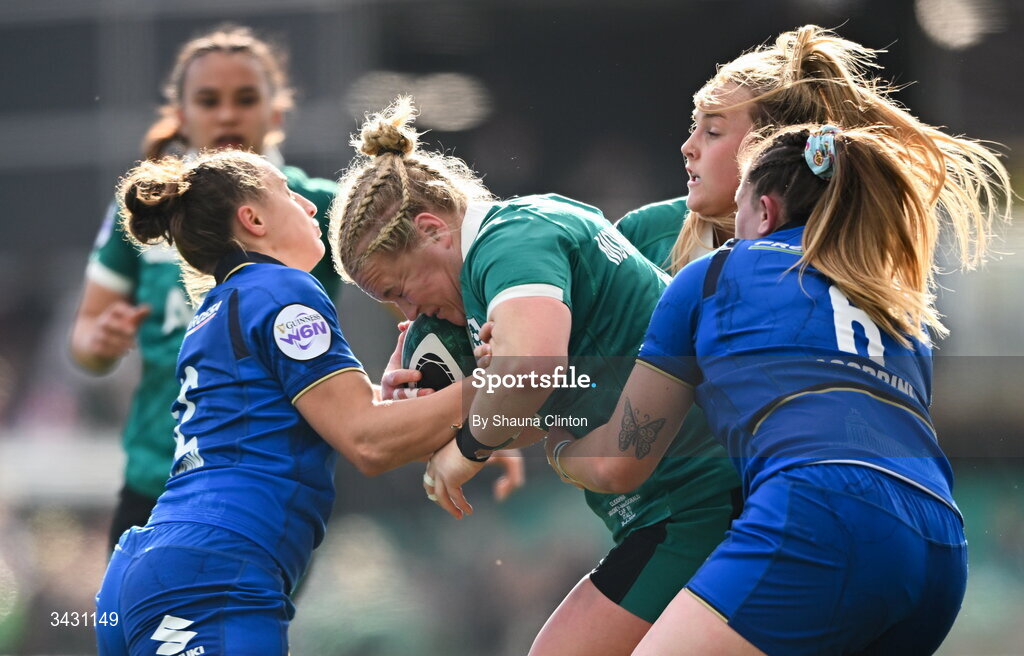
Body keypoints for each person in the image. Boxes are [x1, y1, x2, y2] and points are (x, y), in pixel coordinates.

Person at [547, 123, 1011, 655]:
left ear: (764, 212)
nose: (727, 227)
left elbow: (620, 461)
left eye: (737, 211)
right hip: (940, 546)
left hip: (823, 507)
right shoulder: (899, 312)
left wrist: (559, 448)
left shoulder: (714, 273)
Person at [330, 97, 740, 656]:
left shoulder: (508, 238)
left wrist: (468, 446)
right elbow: (544, 407)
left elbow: (533, 372)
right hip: (674, 501)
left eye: (400, 290)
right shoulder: (491, 274)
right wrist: (440, 407)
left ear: (433, 230)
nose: (409, 313)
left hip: (693, 501)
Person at [94, 150, 467, 654]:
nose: (310, 207)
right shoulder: (284, 287)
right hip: (210, 576)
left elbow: (301, 421)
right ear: (253, 219)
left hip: (157, 570)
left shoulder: (219, 307)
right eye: (290, 196)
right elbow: (366, 442)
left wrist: (392, 403)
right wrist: (501, 381)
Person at [69, 25, 344, 552]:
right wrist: (100, 342)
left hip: (259, 484)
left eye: (245, 98)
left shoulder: (316, 209)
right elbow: (84, 338)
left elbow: (414, 279)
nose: (226, 115)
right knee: (123, 630)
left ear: (277, 114)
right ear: (181, 114)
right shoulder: (146, 213)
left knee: (228, 627)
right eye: (208, 100)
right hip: (156, 479)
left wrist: (479, 417)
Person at [615, 24, 1008, 275]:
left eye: (713, 131)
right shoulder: (642, 235)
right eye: (693, 126)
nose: (688, 147)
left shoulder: (842, 260)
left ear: (770, 147)